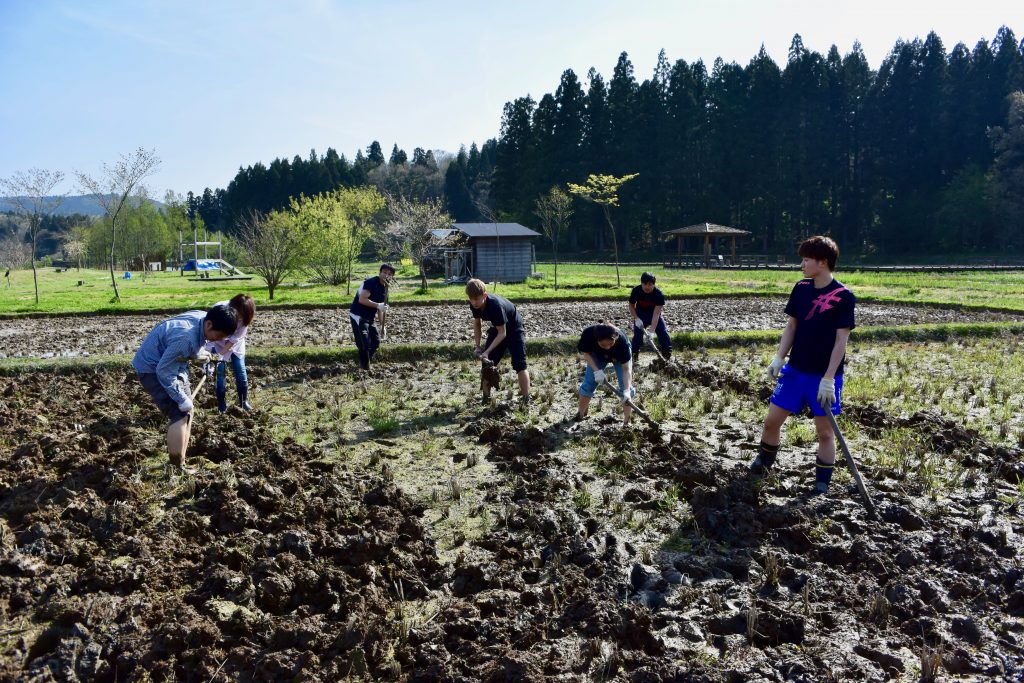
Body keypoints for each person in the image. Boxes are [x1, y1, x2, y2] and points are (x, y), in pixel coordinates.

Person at [749, 236, 856, 495]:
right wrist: (779, 357)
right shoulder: (801, 289)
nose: (802, 264)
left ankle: (821, 484)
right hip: (795, 371)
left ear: (823, 262)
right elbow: (792, 326)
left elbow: (841, 340)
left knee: (825, 433)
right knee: (771, 422)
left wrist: (829, 379)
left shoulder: (843, 296)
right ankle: (763, 464)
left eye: (806, 259)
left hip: (823, 377)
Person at [132, 304, 238, 466]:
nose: (219, 340)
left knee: (188, 411)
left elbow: (194, 345)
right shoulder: (185, 338)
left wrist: (202, 356)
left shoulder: (202, 317)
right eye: (219, 335)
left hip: (172, 364)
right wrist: (181, 399)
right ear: (209, 324)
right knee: (179, 414)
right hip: (151, 369)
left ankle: (181, 457)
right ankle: (176, 465)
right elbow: (164, 372)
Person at [466, 278, 530, 403]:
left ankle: (526, 398)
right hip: (497, 327)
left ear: (484, 295)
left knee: (520, 364)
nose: (474, 302)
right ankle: (486, 399)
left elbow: (503, 333)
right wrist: (478, 346)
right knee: (487, 365)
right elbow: (477, 324)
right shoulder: (474, 305)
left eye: (476, 299)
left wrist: (487, 351)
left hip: (513, 328)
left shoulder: (495, 306)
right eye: (471, 299)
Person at [575, 322, 635, 424]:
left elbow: (626, 369)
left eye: (610, 344)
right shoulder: (589, 334)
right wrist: (597, 370)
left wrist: (626, 391)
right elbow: (586, 354)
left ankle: (626, 422)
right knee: (589, 384)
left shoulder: (622, 342)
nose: (607, 347)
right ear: (596, 339)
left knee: (625, 387)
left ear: (615, 338)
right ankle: (580, 415)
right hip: (597, 355)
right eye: (603, 345)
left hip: (618, 356)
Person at [205, 293, 256, 412]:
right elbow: (210, 333)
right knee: (220, 374)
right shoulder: (220, 310)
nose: (239, 319)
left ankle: (243, 402)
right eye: (239, 314)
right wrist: (212, 355)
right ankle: (222, 405)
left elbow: (233, 341)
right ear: (233, 307)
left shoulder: (244, 320)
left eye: (242, 317)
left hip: (235, 345)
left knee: (240, 372)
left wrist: (221, 355)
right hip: (217, 342)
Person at [350, 264, 395, 371]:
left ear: (392, 277)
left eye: (389, 274)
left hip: (370, 318)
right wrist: (378, 305)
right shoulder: (371, 283)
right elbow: (362, 299)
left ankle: (364, 362)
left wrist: (382, 326)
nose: (386, 275)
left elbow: (381, 309)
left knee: (375, 343)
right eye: (384, 272)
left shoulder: (386, 289)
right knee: (364, 344)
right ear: (380, 272)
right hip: (358, 315)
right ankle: (365, 368)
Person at [629, 271, 671, 361]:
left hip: (653, 314)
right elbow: (631, 306)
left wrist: (651, 332)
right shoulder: (636, 291)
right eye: (645, 284)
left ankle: (666, 356)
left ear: (654, 284)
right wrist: (636, 318)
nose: (647, 287)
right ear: (641, 283)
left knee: (663, 333)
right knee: (637, 336)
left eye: (650, 284)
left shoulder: (658, 294)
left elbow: (656, 315)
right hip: (640, 315)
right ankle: (634, 356)